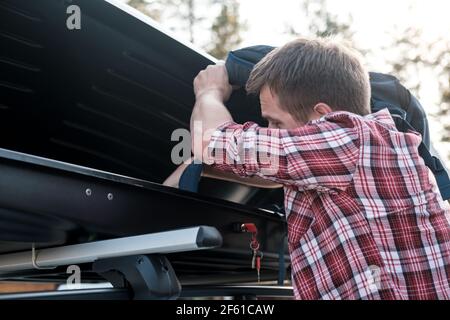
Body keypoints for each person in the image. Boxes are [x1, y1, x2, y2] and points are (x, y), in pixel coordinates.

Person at [164, 38, 450, 300]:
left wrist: (209, 92)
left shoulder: (350, 138)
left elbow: (211, 143)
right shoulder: (364, 151)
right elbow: (261, 173)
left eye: (275, 122)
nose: (270, 132)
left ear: (323, 116)